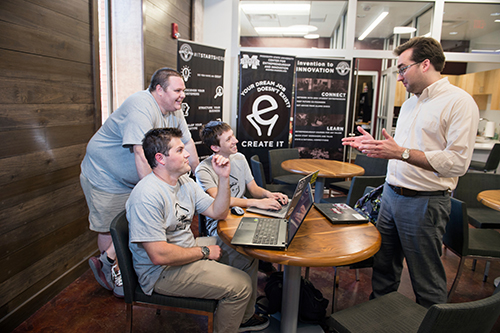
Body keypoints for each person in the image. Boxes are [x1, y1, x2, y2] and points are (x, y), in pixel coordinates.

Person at [342, 37, 479, 308]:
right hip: (391, 197)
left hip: (425, 203)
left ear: (425, 64)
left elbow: (457, 162)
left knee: (425, 280)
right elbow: (402, 149)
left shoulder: (459, 103)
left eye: (403, 68)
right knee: (383, 269)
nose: (399, 76)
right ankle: (382, 318)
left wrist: (400, 152)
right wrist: (376, 147)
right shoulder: (409, 105)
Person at [126, 128, 269, 333]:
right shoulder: (146, 195)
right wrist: (204, 252)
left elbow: (218, 212)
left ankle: (241, 320)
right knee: (242, 285)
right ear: (161, 158)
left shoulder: (184, 182)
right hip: (161, 272)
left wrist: (223, 178)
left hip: (185, 249)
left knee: (246, 251)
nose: (187, 154)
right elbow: (158, 255)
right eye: (180, 150)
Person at [80, 68, 199, 297]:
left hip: (132, 177)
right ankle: (110, 268)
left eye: (183, 90)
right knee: (111, 225)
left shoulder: (174, 109)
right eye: (178, 90)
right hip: (105, 174)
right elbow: (140, 152)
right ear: (158, 90)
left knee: (136, 219)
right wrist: (154, 196)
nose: (183, 95)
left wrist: (200, 176)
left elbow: (188, 143)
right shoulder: (140, 106)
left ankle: (117, 262)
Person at [195, 120, 288, 294]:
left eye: (233, 136)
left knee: (278, 228)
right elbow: (221, 200)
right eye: (229, 139)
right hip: (221, 224)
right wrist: (255, 202)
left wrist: (268, 195)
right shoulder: (203, 170)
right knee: (249, 255)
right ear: (215, 148)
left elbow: (253, 189)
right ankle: (247, 312)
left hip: (245, 214)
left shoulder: (239, 158)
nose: (236, 141)